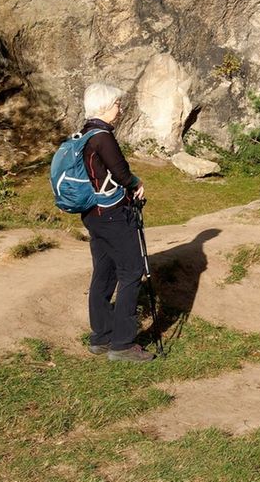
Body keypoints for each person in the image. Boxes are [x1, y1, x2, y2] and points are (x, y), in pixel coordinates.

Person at [78, 82, 152, 362]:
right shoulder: (103, 137)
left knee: (104, 272)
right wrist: (136, 183)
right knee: (132, 271)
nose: (120, 110)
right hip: (111, 214)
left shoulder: (83, 135)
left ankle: (101, 337)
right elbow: (121, 173)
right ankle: (122, 345)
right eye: (117, 105)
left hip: (92, 214)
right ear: (105, 107)